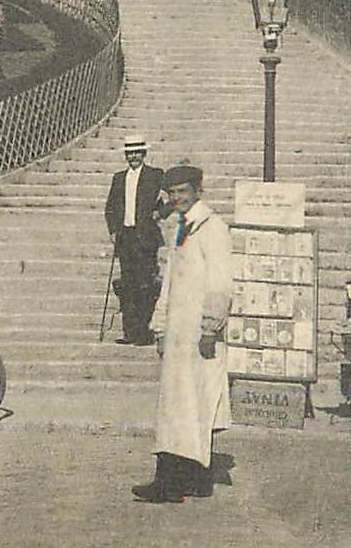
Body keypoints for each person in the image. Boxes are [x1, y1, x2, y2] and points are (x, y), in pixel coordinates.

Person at [133, 163, 232, 504]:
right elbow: (170, 284)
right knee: (178, 406)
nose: (177, 198)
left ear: (198, 191)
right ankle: (192, 479)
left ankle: (172, 483)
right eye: (172, 193)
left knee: (194, 404)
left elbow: (220, 284)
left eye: (183, 192)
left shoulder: (212, 228)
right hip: (178, 334)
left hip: (198, 334)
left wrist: (210, 327)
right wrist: (160, 327)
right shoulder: (182, 227)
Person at [103, 134, 166, 344]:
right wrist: (113, 230)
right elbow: (110, 207)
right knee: (128, 285)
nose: (133, 157)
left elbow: (172, 199)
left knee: (145, 285)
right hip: (126, 238)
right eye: (130, 153)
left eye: (137, 153)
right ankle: (129, 332)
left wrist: (160, 213)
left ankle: (145, 333)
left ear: (144, 154)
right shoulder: (119, 178)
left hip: (146, 238)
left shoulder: (155, 175)